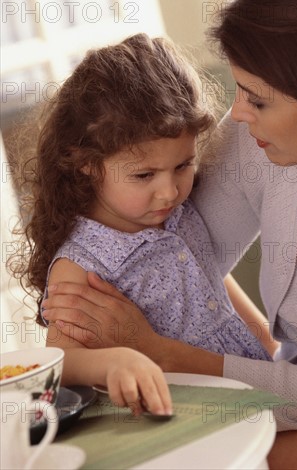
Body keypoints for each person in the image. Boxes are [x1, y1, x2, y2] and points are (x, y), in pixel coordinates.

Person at [40, 0, 297, 468]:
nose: (236, 114)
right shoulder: (259, 144)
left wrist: (161, 352)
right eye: (239, 91)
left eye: (258, 99)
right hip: (247, 408)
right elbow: (189, 251)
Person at [13, 33, 272, 413]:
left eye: (183, 165)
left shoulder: (175, 216)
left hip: (253, 382)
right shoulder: (82, 263)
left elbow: (208, 277)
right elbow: (59, 358)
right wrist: (116, 360)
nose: (169, 192)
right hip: (195, 413)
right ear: (86, 163)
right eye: (144, 176)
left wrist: (267, 340)